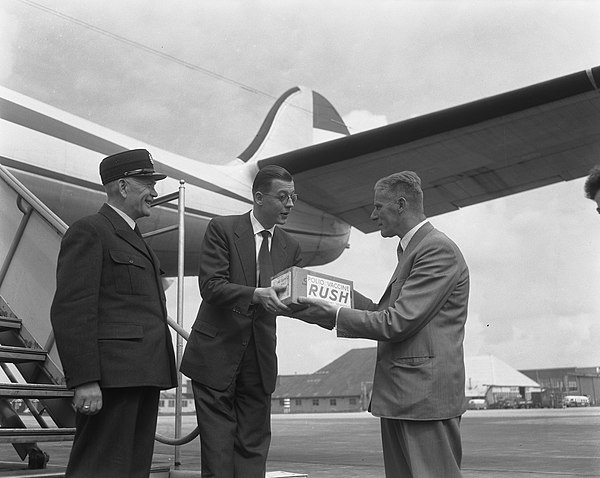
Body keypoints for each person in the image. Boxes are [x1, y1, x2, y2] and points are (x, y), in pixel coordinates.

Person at [290, 171, 469, 478]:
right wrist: (315, 293)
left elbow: (397, 322)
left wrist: (335, 314)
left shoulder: (436, 249)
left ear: (401, 205)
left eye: (379, 207)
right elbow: (385, 312)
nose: (373, 215)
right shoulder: (413, 249)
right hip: (406, 396)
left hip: (423, 399)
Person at [50, 149, 177, 478]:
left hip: (143, 375)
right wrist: (85, 379)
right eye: (147, 183)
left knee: (133, 470)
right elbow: (72, 309)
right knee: (98, 469)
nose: (155, 192)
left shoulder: (138, 240)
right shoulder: (90, 231)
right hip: (111, 382)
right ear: (123, 187)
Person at [180, 165, 302, 478]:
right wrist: (256, 294)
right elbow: (211, 286)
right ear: (259, 198)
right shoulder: (222, 228)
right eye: (283, 197)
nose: (290, 204)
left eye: (293, 197)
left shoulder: (292, 247)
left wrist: (360, 309)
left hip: (258, 362)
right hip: (215, 356)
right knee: (219, 453)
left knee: (253, 451)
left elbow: (300, 298)